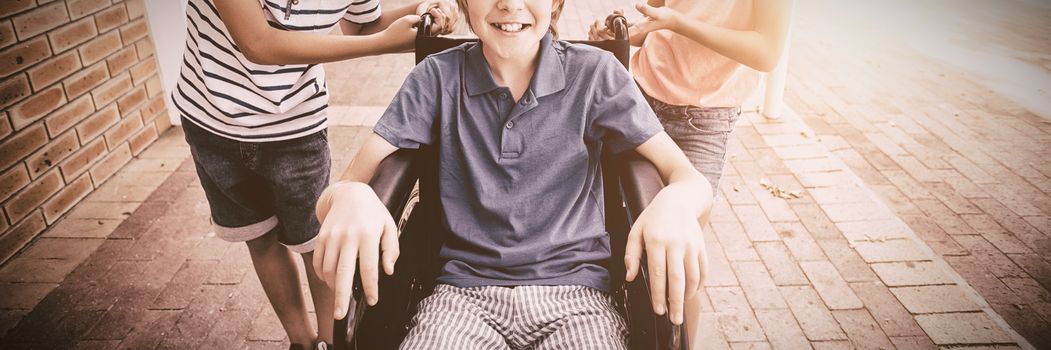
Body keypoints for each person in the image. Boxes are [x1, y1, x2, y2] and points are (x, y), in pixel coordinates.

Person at [312, 0, 714, 348]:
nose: (509, 3)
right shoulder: (435, 78)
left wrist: (674, 203)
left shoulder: (595, 74)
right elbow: (341, 188)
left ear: (555, 3)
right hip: (460, 296)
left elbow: (688, 177)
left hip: (576, 296)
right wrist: (352, 197)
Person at [172, 0, 457, 348]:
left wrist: (427, 8)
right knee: (259, 238)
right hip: (212, 122)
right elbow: (257, 42)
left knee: (317, 243)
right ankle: (301, 341)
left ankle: (330, 342)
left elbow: (364, 24)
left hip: (296, 126)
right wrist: (383, 44)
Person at [588, 0, 794, 191]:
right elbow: (656, 21)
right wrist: (619, 33)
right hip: (643, 98)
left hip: (705, 119)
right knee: (618, 204)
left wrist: (677, 23)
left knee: (679, 223)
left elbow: (767, 53)